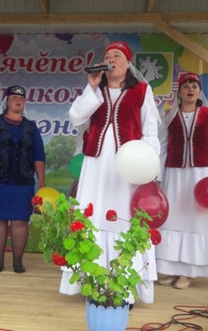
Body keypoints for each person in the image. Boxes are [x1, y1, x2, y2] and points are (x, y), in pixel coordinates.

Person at [62, 41, 161, 304]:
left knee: (123, 217)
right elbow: (76, 117)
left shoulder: (142, 90)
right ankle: (91, 283)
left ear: (128, 63)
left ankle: (123, 286)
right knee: (92, 212)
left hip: (127, 165)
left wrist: (150, 166)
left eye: (117, 55)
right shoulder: (95, 90)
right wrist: (92, 86)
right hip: (96, 164)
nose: (111, 59)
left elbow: (150, 130)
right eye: (107, 56)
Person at [156, 72, 208, 289]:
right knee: (175, 218)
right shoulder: (169, 115)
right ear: (179, 92)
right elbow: (161, 146)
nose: (190, 89)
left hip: (202, 177)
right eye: (186, 86)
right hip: (175, 174)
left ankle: (188, 272)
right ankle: (172, 268)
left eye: (194, 86)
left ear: (199, 93)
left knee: (196, 219)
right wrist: (158, 177)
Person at [0, 85, 46, 274]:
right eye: (14, 97)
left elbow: (39, 155)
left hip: (23, 182)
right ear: (6, 101)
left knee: (20, 221)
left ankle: (18, 262)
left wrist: (41, 180)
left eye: (21, 98)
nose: (18, 100)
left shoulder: (31, 127)